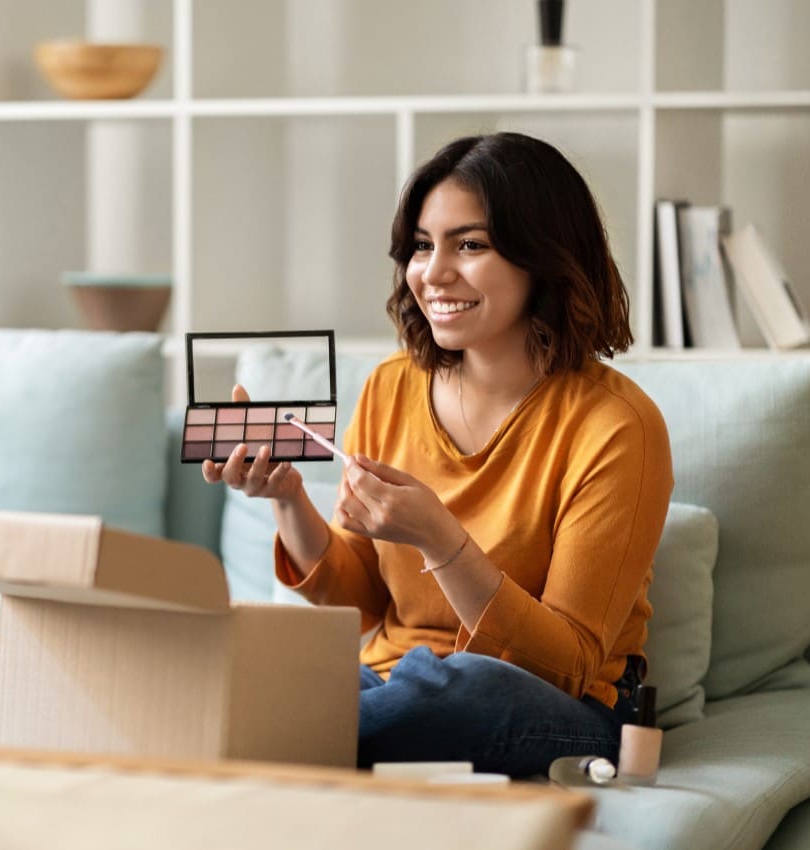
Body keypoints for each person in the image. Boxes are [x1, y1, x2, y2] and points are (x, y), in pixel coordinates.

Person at [203, 132, 674, 776]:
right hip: (393, 689)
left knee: (465, 685)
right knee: (263, 667)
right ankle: (275, 730)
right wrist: (288, 500)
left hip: (558, 703)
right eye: (423, 245)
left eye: (470, 244)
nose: (433, 272)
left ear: (546, 256)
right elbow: (363, 604)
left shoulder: (616, 426)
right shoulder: (392, 386)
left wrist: (441, 542)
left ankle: (249, 739)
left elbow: (567, 665)